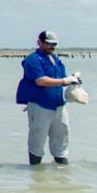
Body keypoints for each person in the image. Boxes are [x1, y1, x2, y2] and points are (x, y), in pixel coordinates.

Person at [15, 30, 79, 165]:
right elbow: (41, 81)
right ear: (40, 42)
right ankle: (35, 175)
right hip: (39, 106)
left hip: (59, 106)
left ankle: (62, 175)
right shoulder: (32, 59)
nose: (52, 47)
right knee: (37, 140)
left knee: (62, 140)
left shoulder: (55, 59)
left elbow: (62, 78)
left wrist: (73, 80)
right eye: (48, 44)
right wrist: (64, 81)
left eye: (54, 44)